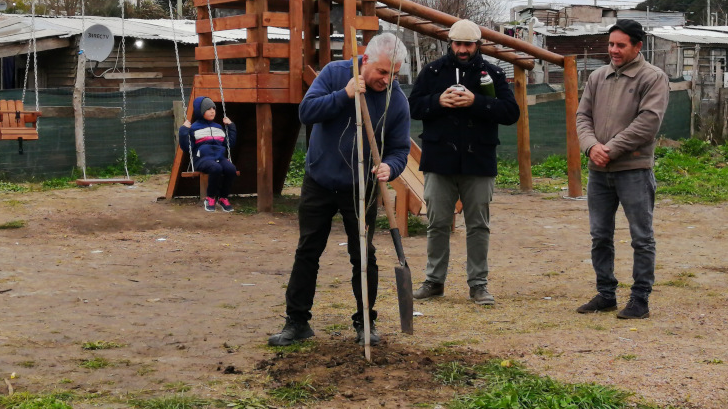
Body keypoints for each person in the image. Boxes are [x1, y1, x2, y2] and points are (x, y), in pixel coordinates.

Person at [268, 33, 411, 347]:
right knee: (308, 250)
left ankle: (365, 323)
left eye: (394, 74)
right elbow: (306, 112)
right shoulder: (335, 74)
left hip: (362, 188)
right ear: (365, 60)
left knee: (363, 255)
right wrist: (344, 94)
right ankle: (297, 322)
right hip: (319, 180)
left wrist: (390, 167)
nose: (387, 80)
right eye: (382, 72)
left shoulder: (396, 100)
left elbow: (400, 149)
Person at [408, 19, 519, 306]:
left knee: (478, 225)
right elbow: (413, 106)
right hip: (439, 160)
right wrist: (438, 101)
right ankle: (434, 281)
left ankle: (478, 285)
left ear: (477, 45)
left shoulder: (492, 73)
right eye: (458, 44)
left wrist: (476, 102)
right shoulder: (432, 71)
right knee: (437, 223)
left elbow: (511, 112)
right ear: (450, 43)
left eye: (468, 44)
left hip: (478, 160)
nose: (462, 50)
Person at [575, 19, 669, 319]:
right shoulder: (598, 77)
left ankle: (640, 299)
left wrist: (610, 149)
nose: (613, 50)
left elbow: (648, 123)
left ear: (637, 46)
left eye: (620, 45)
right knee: (600, 235)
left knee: (641, 237)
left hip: (634, 170)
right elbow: (582, 116)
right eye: (611, 44)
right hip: (599, 171)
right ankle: (606, 294)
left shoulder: (652, 78)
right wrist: (591, 147)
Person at [179, 96, 238, 212]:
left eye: (213, 108)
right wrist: (183, 130)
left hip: (219, 158)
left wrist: (231, 126)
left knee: (231, 169)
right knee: (216, 168)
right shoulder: (194, 128)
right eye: (208, 109)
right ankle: (210, 197)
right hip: (202, 159)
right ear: (200, 111)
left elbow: (230, 143)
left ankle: (223, 197)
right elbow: (186, 147)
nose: (212, 111)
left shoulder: (218, 127)